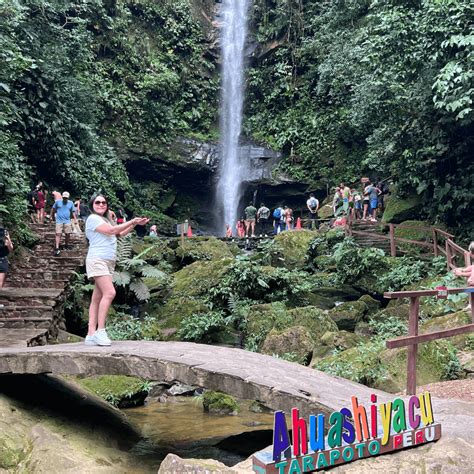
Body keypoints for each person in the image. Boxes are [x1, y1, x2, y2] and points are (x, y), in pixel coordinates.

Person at [85, 194, 149, 346]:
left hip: (108, 262)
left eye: (103, 202)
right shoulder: (93, 218)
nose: (101, 204)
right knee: (110, 293)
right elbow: (113, 230)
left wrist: (134, 225)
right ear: (92, 204)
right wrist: (132, 220)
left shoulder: (105, 220)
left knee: (96, 298)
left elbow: (119, 234)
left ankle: (90, 334)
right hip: (98, 260)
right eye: (97, 202)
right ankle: (100, 331)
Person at [50, 191, 78, 256]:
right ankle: (57, 247)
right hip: (59, 220)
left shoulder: (71, 203)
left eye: (66, 198)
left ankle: (66, 245)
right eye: (64, 198)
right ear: (62, 197)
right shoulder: (57, 202)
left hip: (67, 220)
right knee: (58, 234)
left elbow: (73, 211)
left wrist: (75, 219)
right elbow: (53, 209)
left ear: (68, 198)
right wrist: (52, 217)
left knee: (68, 233)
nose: (65, 199)